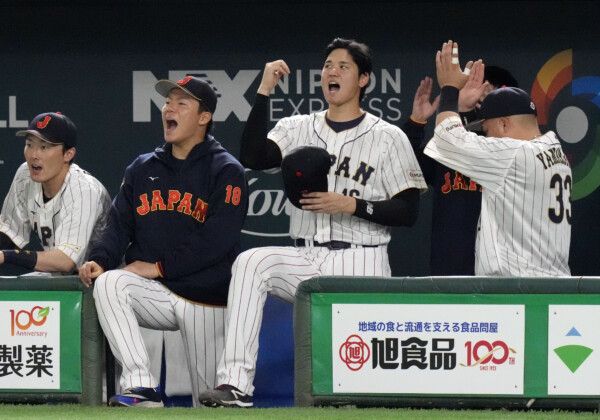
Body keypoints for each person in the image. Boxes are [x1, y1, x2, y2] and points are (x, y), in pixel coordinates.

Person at [199, 38, 427, 408]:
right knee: (251, 262)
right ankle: (235, 386)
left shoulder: (388, 137)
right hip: (305, 257)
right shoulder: (298, 127)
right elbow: (253, 156)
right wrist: (264, 91)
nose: (332, 72)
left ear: (364, 80)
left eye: (343, 66)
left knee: (356, 387)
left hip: (362, 258)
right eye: (328, 66)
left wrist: (351, 204)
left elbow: (408, 211)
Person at [78, 76, 248, 407]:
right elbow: (118, 224)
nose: (169, 108)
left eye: (181, 103)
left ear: (204, 117)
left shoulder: (227, 170)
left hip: (205, 297)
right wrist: (100, 257)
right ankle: (141, 386)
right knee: (111, 282)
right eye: (167, 102)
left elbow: (217, 240)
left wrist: (159, 266)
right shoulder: (143, 168)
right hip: (157, 292)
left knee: (210, 401)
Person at [424, 40, 571, 276]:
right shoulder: (555, 152)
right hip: (548, 281)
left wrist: (450, 89)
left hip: (518, 287)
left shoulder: (513, 154)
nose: (486, 134)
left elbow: (445, 139)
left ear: (504, 123)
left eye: (488, 128)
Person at [402, 66, 518, 276]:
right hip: (449, 269)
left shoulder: (517, 149)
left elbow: (472, 145)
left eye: (488, 93)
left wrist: (463, 112)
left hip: (501, 271)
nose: (479, 98)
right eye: (472, 89)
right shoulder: (447, 144)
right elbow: (406, 167)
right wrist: (416, 122)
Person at [0, 112, 110, 274]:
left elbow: (65, 261)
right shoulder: (25, 175)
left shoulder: (83, 189)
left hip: (100, 277)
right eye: (29, 145)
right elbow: (8, 230)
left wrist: (6, 256)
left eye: (44, 147)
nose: (33, 155)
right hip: (61, 275)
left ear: (68, 154)